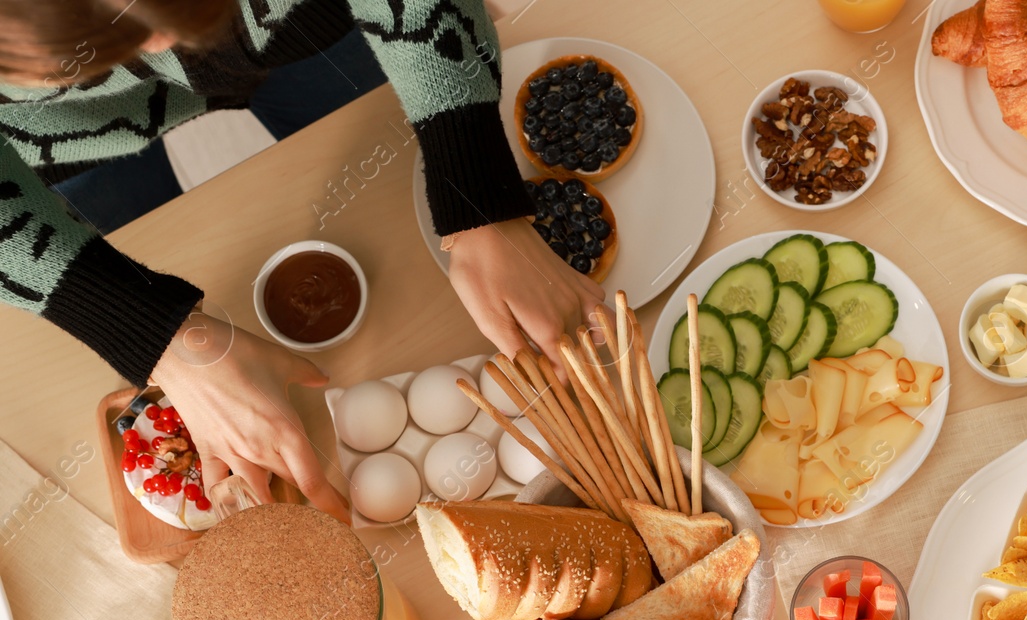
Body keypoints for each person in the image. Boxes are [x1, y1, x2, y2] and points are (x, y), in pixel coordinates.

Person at [0, 0, 603, 518]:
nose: (164, 44)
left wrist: (476, 182)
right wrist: (152, 334)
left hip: (302, 32)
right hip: (50, 137)